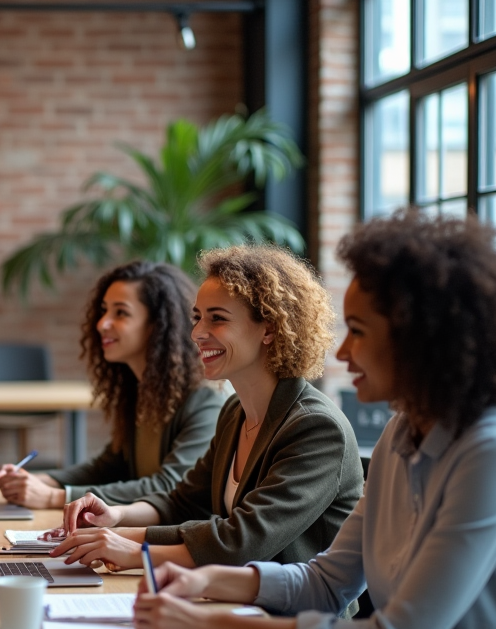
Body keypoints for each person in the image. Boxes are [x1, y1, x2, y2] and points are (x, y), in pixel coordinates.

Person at [133, 211, 496, 629]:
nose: (342, 355)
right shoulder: (400, 433)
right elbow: (325, 582)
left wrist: (210, 622)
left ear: (424, 336)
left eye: (360, 332)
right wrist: (206, 580)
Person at [50, 244, 362, 571]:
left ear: (269, 329)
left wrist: (133, 549)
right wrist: (117, 516)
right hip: (226, 598)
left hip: (290, 617)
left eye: (217, 319)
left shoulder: (315, 428)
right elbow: (182, 502)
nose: (197, 333)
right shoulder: (235, 413)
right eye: (198, 318)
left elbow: (242, 541)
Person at [0, 261, 225, 508]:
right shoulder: (145, 389)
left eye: (120, 313)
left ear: (158, 324)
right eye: (104, 310)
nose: (102, 323)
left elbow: (171, 485)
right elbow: (109, 467)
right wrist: (41, 480)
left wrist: (55, 497)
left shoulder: (207, 399)